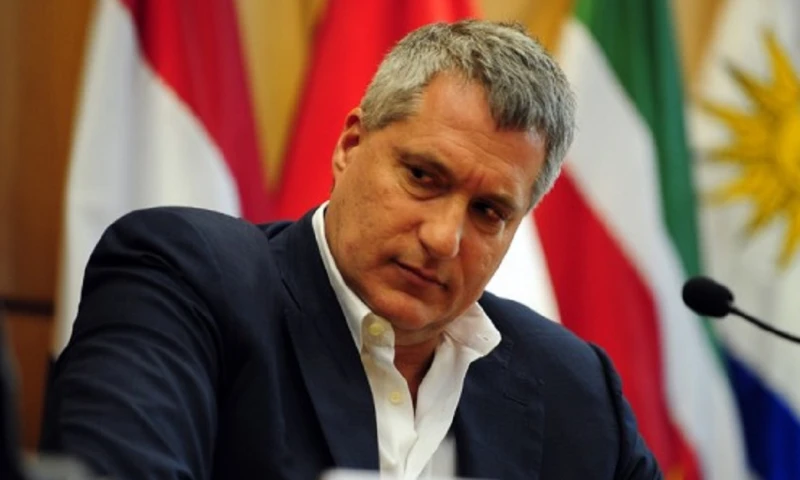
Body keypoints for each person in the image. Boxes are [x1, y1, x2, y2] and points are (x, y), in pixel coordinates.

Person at [39, 20, 661, 480]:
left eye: (488, 212)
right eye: (423, 177)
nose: (443, 238)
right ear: (350, 146)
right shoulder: (185, 278)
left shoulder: (575, 387)